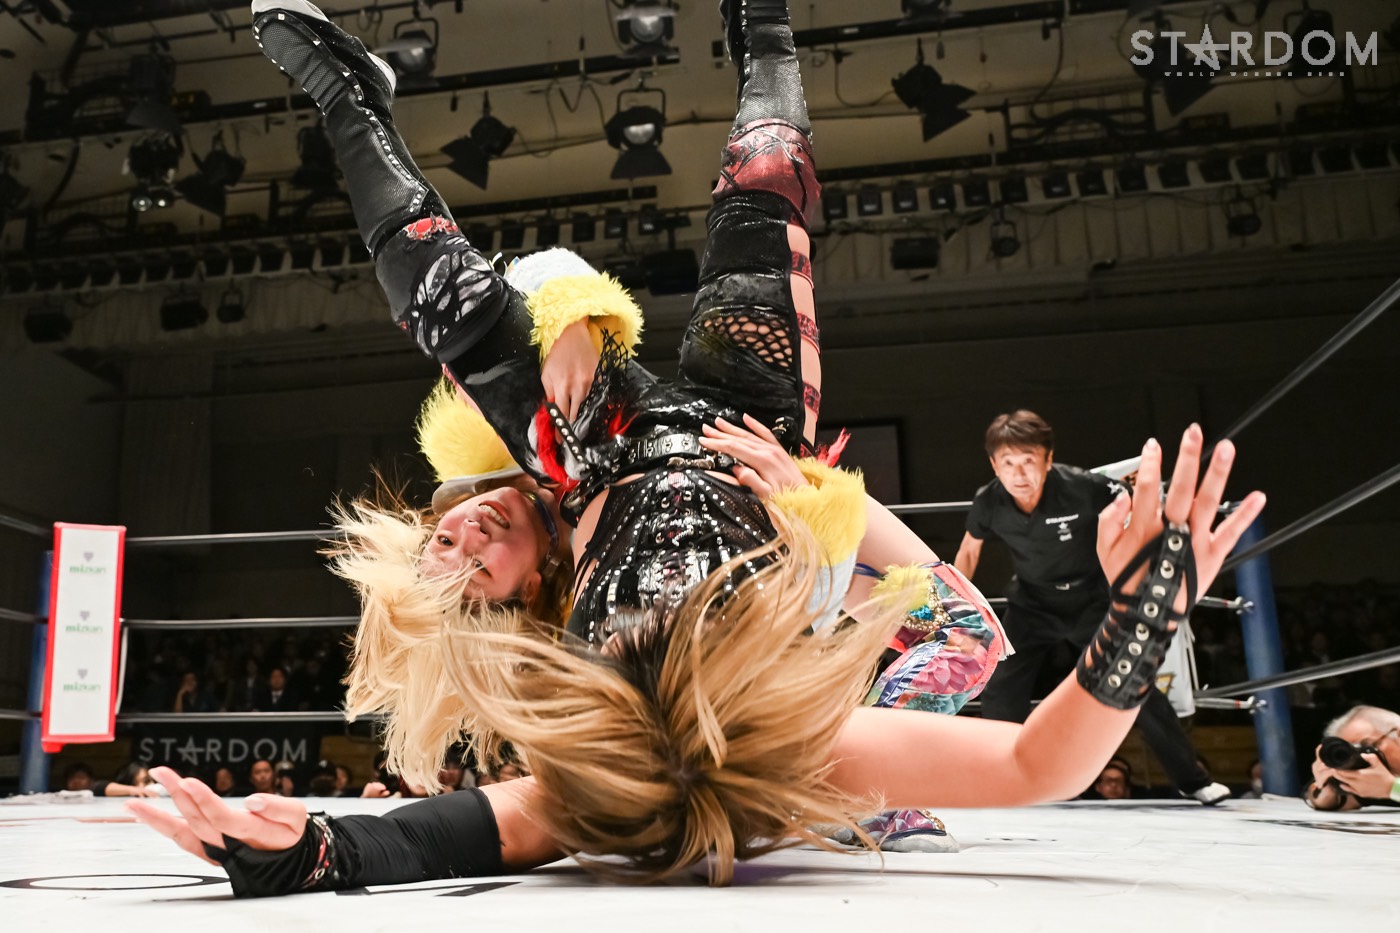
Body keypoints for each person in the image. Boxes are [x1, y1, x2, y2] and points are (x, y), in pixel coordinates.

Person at [128, 2, 1265, 894]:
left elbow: (419, 839)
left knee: (450, 302)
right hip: (753, 435)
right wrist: (1140, 609)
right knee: (762, 190)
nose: (462, 533)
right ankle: (764, 23)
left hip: (600, 454)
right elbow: (1036, 761)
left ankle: (350, 97)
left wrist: (312, 850)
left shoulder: (580, 706)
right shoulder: (782, 746)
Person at [953, 409, 1231, 806]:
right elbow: (968, 551)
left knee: (1134, 680)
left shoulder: (1081, 487)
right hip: (1033, 604)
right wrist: (960, 612)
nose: (1019, 474)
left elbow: (1137, 507)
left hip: (1093, 601)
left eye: (1028, 461)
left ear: (1048, 459)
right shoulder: (989, 501)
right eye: (1008, 463)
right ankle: (1001, 780)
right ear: (994, 465)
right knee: (1000, 685)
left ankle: (1193, 780)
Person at [1305, 704, 1400, 810]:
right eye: (1352, 752)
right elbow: (1342, 803)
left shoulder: (1385, 783)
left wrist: (1391, 788)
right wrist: (1327, 787)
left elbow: (1389, 787)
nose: (1364, 757)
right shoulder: (1372, 776)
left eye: (1367, 747)